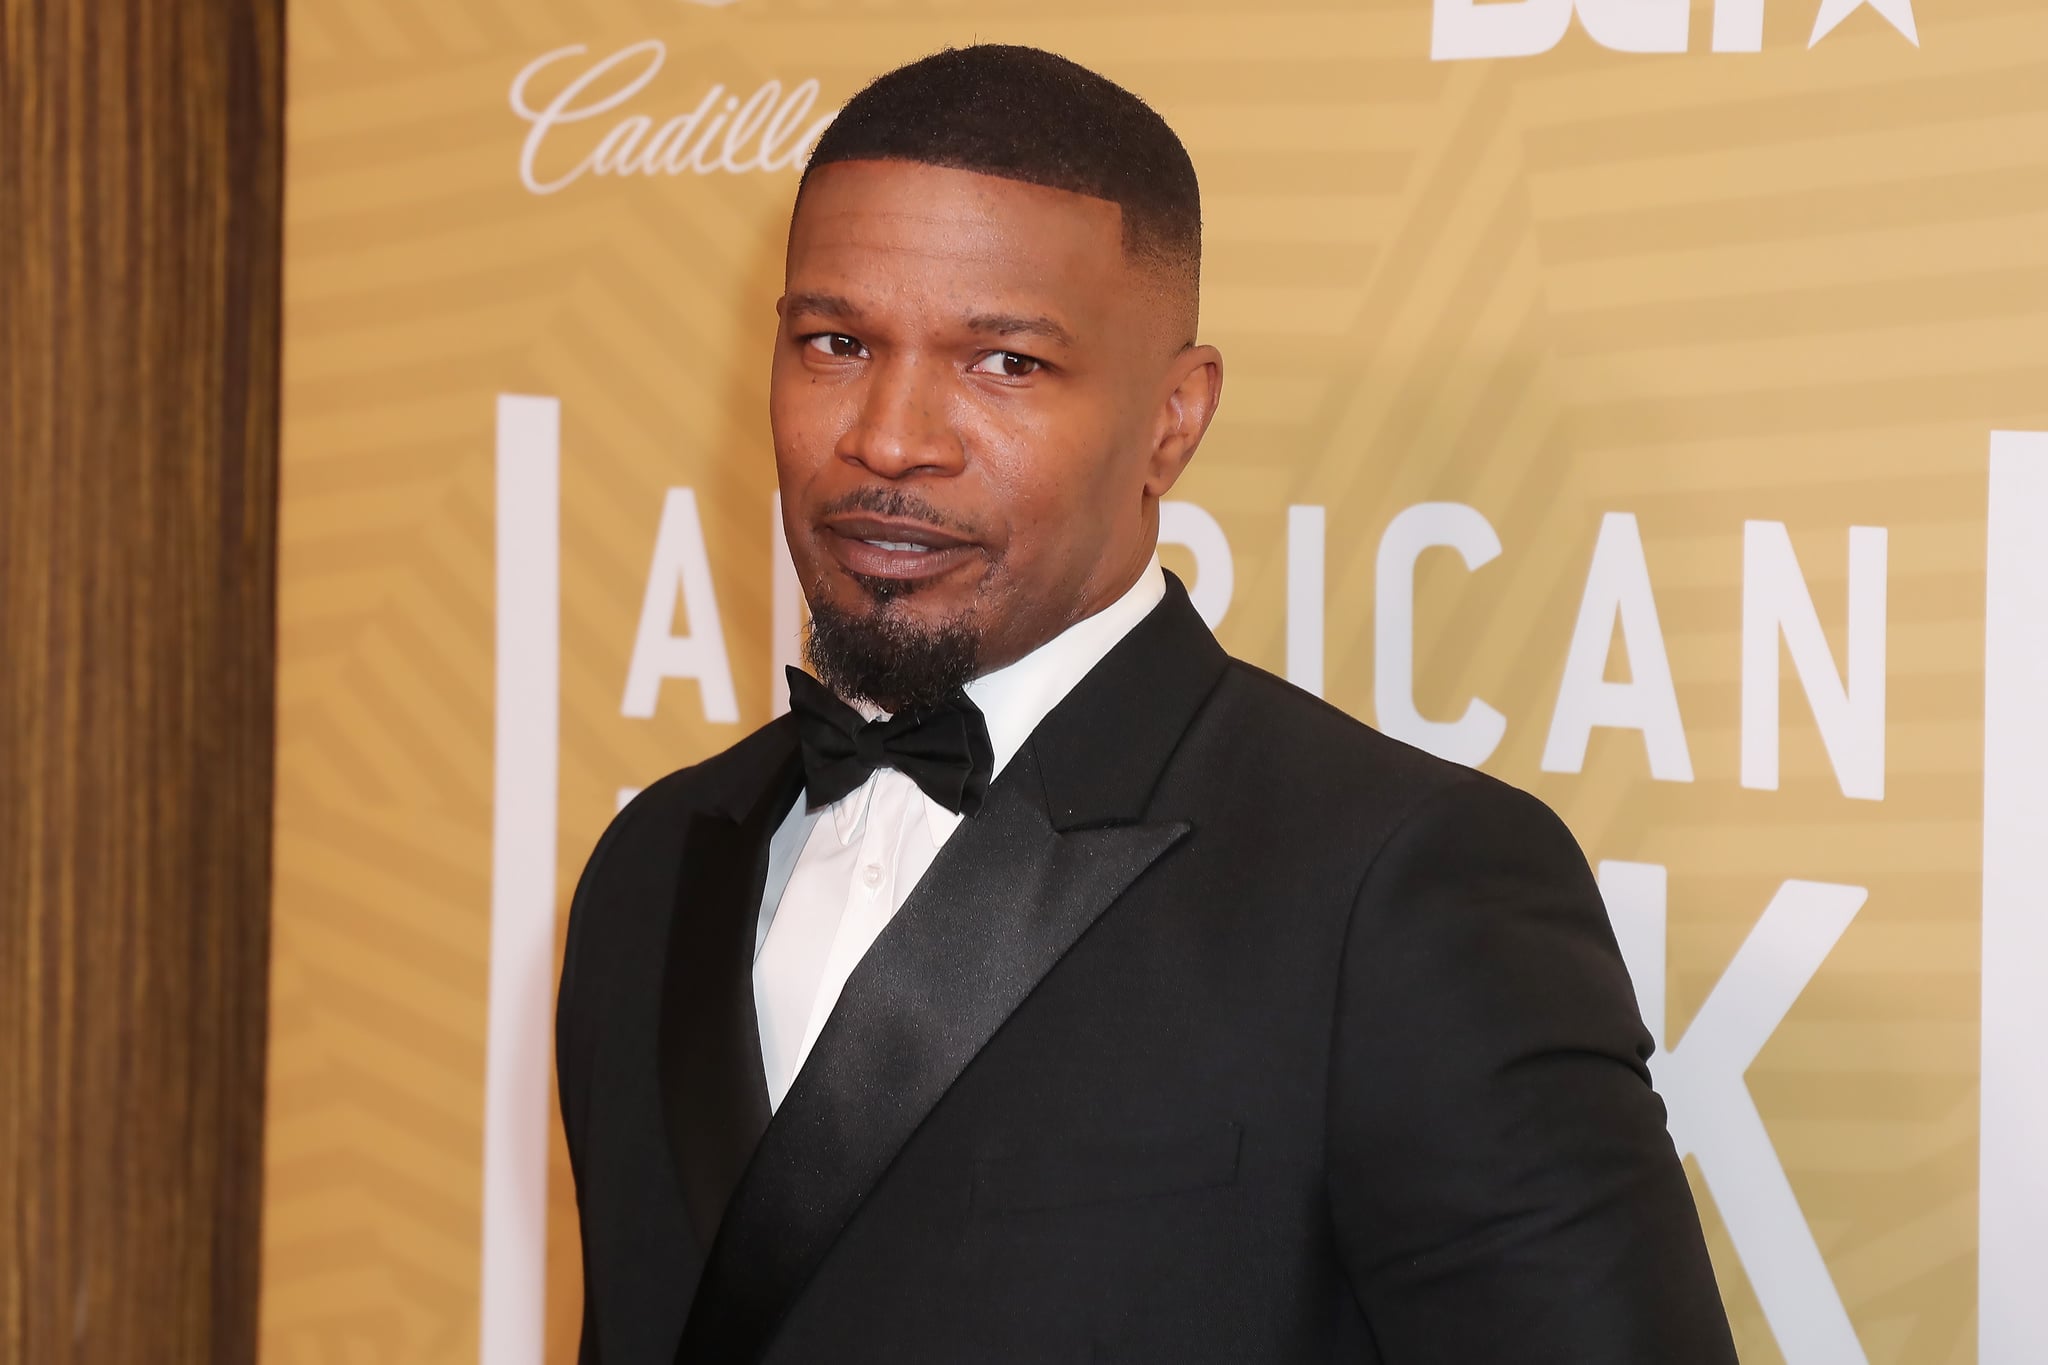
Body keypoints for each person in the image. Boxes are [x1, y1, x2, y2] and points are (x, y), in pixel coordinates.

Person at [556, 43, 1737, 1365]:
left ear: (1175, 420)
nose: (889, 438)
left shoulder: (1396, 892)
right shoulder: (652, 867)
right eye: (836, 343)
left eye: (1003, 364)